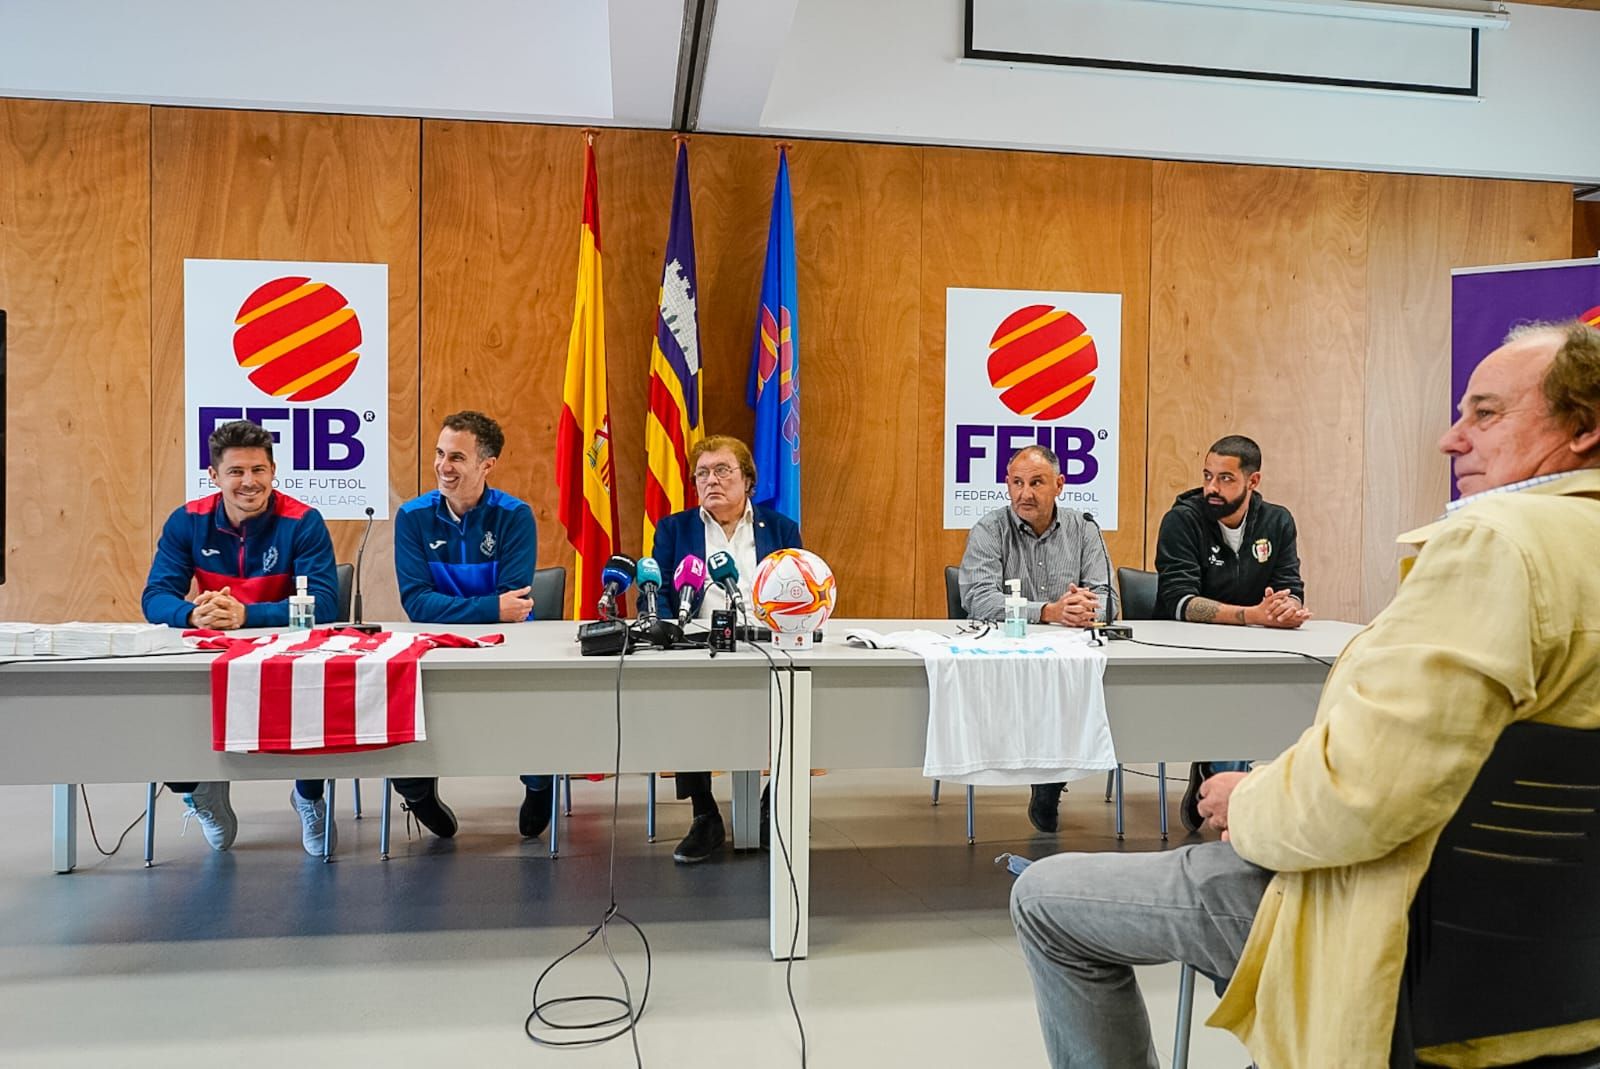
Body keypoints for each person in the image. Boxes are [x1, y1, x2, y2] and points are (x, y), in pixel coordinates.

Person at [1011, 320, 1600, 1069]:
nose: (1453, 440)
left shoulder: (1496, 546)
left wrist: (1246, 799)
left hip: (1388, 926)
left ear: (1583, 428)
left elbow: (1361, 796)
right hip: (1552, 978)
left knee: (1045, 898)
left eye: (1485, 414)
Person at [141, 419, 340, 856]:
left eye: (258, 470)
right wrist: (193, 613)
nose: (249, 482)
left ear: (273, 472)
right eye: (236, 472)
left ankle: (308, 796)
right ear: (214, 476)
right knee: (164, 714)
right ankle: (201, 791)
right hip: (211, 654)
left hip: (288, 656)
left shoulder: (303, 521)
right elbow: (155, 596)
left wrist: (245, 615)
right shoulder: (187, 521)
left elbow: (326, 605)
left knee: (319, 700)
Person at [393, 410, 552, 840]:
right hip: (435, 644)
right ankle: (418, 792)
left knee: (540, 703)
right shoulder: (412, 517)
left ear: (487, 464)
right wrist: (488, 607)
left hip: (508, 644)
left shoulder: (514, 516)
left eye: (457, 458)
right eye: (441, 454)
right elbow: (416, 603)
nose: (444, 467)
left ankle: (539, 783)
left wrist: (470, 608)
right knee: (398, 698)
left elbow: (514, 605)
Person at [650, 435, 802, 863]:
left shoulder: (780, 529)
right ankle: (704, 815)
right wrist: (674, 632)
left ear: (747, 480)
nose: (711, 480)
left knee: (800, 697)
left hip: (767, 643)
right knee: (680, 697)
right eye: (702, 473)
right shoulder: (675, 529)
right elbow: (660, 592)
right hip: (696, 645)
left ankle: (773, 803)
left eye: (722, 471)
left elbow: (799, 591)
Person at [1153, 434, 1309, 832]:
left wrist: (1286, 610)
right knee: (1236, 703)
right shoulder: (1183, 520)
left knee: (1261, 701)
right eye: (1207, 476)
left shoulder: (1277, 521)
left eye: (1224, 479)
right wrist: (1253, 615)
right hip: (1187, 651)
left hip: (1257, 648)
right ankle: (1230, 807)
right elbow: (1179, 602)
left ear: (1252, 481)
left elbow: (1290, 585)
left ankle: (1223, 786)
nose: (1211, 488)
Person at [957, 443, 1114, 834]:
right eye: (1016, 483)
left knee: (1068, 687)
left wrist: (1085, 607)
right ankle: (1047, 779)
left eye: (1037, 482)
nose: (1025, 493)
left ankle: (1049, 782)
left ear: (1059, 485)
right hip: (1006, 655)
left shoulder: (1085, 528)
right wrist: (1048, 611)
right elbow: (977, 597)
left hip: (1071, 655)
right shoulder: (990, 529)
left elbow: (1108, 598)